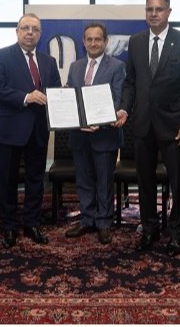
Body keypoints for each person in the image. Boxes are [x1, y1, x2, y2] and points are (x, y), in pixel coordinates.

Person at [115, 0, 180, 257]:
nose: (154, 14)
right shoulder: (136, 41)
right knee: (145, 182)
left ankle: (177, 233)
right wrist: (124, 108)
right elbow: (131, 82)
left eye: (159, 9)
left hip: (176, 127)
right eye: (150, 9)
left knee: (179, 182)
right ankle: (149, 229)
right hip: (142, 125)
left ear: (169, 12)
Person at [0, 13, 62, 249]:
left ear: (40, 34)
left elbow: (56, 91)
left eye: (35, 29)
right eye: (26, 28)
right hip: (9, 129)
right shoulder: (1, 56)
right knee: (7, 180)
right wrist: (26, 97)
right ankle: (9, 226)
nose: (30, 32)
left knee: (36, 180)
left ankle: (31, 223)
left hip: (38, 130)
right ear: (17, 31)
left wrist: (64, 98)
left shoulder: (49, 61)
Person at [64, 23, 126, 244]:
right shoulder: (75, 67)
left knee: (104, 182)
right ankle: (87, 219)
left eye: (97, 39)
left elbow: (118, 98)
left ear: (105, 41)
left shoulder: (117, 66)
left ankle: (104, 223)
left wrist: (101, 120)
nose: (93, 43)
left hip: (105, 135)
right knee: (83, 181)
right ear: (83, 41)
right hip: (79, 135)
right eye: (89, 39)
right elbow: (71, 97)